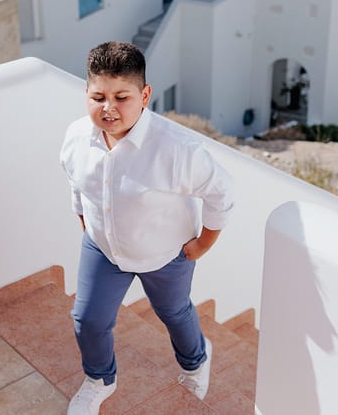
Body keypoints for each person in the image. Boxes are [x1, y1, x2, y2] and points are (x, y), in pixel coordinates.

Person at [59, 41, 234, 414]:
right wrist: (85, 220)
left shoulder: (178, 150)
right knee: (87, 320)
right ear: (86, 94)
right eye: (98, 97)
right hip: (103, 249)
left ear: (145, 94)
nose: (109, 108)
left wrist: (202, 244)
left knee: (173, 313)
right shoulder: (76, 136)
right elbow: (77, 183)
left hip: (166, 255)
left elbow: (221, 194)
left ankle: (196, 361)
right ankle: (99, 380)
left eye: (122, 97)